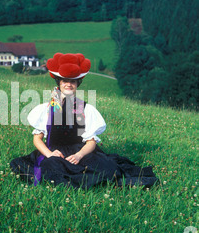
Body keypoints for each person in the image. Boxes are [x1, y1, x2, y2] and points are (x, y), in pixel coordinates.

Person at [10, 53, 158, 189]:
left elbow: (91, 142)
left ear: (77, 84)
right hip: (55, 152)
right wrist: (49, 154)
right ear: (59, 82)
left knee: (108, 169)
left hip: (81, 152)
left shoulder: (86, 109)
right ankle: (74, 180)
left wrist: (79, 155)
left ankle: (81, 180)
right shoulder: (46, 109)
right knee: (47, 166)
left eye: (73, 82)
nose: (69, 84)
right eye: (65, 81)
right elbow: (37, 139)